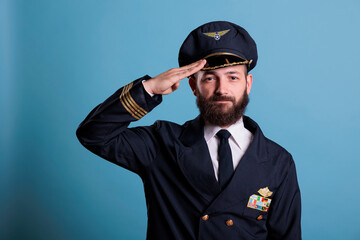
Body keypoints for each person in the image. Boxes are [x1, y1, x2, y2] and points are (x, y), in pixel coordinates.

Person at [76, 21, 301, 240]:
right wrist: (149, 89)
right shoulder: (161, 143)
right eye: (210, 78)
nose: (222, 89)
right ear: (194, 86)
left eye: (233, 77)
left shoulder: (278, 161)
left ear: (248, 83)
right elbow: (93, 134)